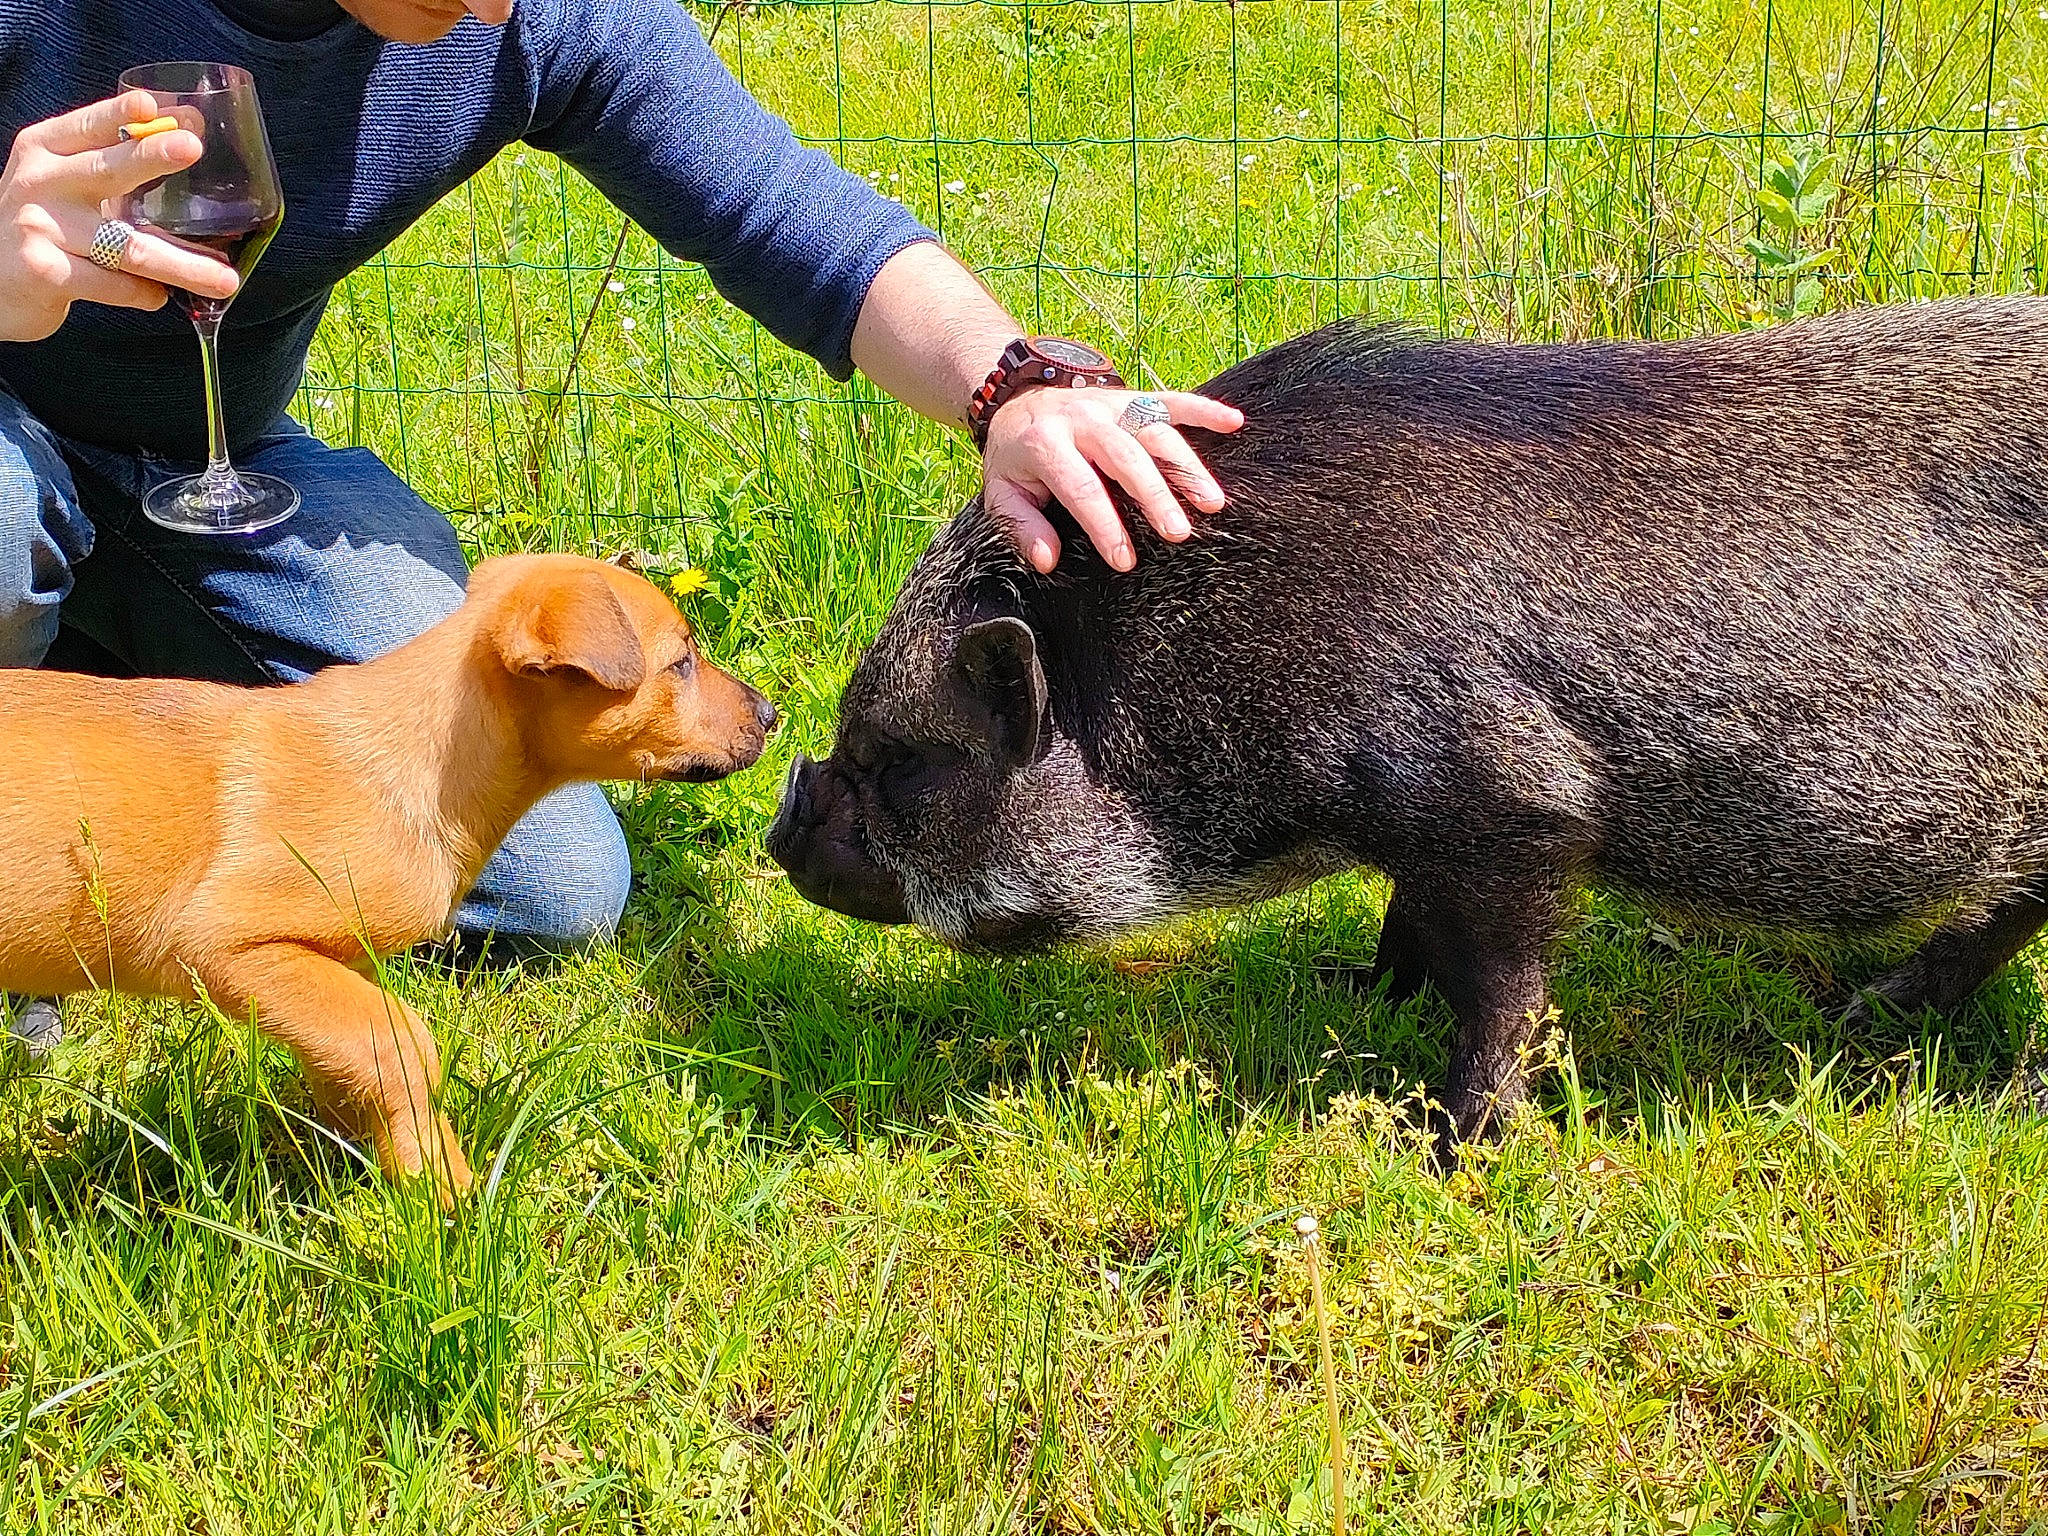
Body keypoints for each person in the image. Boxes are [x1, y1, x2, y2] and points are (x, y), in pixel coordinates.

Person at [0, 0, 1241, 1045]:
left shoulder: (513, 12)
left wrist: (1008, 385)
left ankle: (95, 698)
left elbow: (772, 203)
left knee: (552, 887)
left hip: (223, 472)